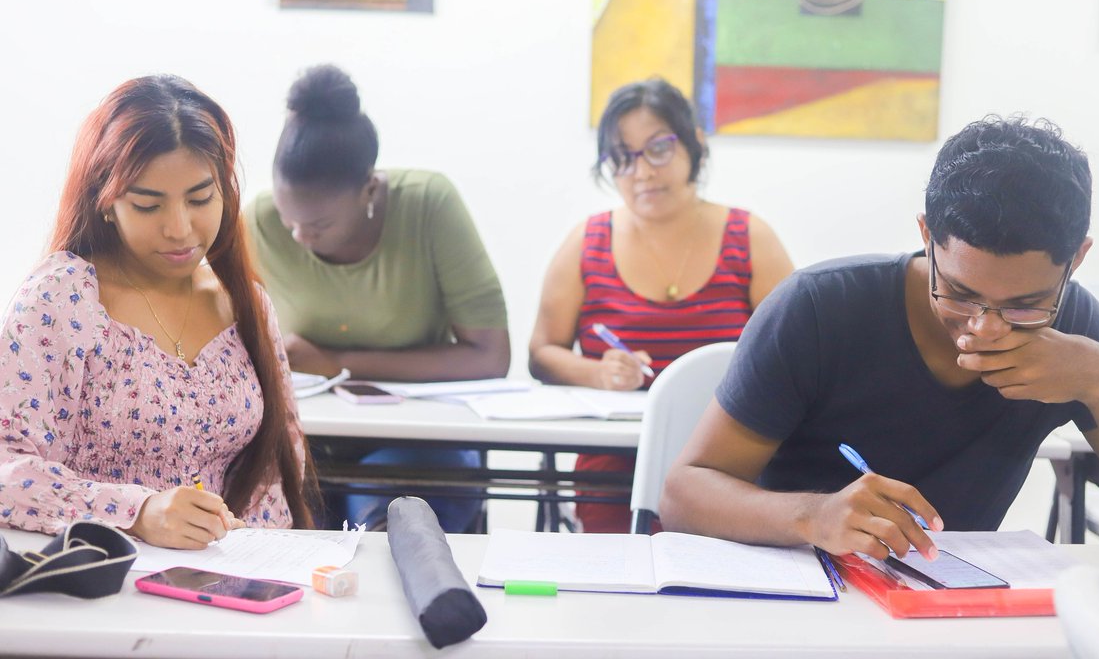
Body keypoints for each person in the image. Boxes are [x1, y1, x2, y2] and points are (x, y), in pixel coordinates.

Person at [661, 116, 1099, 556]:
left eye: (1025, 305)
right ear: (926, 235)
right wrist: (813, 516)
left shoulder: (1080, 333)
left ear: (1077, 259)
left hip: (947, 612)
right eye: (960, 292)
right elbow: (683, 497)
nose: (984, 326)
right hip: (794, 596)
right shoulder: (821, 309)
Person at [0, 75, 315, 548]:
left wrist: (254, 559)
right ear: (106, 203)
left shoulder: (243, 301)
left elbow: (277, 458)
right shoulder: (63, 299)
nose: (179, 228)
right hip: (98, 579)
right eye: (148, 205)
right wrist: (136, 512)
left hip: (221, 585)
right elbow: (6, 468)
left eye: (200, 198)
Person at [247, 65, 509, 532]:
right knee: (281, 533)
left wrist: (336, 362)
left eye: (319, 225)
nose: (300, 236)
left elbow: (490, 356)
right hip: (306, 438)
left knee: (392, 532)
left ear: (369, 187)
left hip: (420, 440)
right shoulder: (260, 223)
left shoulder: (429, 204)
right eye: (290, 221)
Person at [528, 78, 794, 533]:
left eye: (658, 149)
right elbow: (541, 353)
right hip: (615, 466)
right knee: (617, 585)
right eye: (622, 157)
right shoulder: (587, 243)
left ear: (696, 145)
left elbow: (797, 354)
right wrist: (598, 373)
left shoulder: (750, 239)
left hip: (730, 464)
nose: (642, 172)